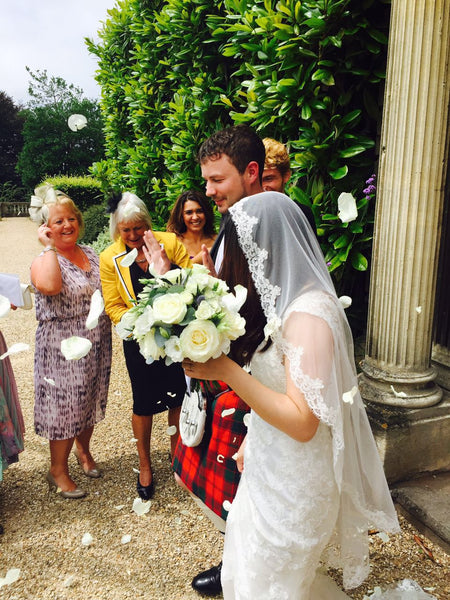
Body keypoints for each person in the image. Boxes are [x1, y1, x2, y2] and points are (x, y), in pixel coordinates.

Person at [183, 193, 401, 599]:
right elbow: (283, 389)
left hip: (296, 485)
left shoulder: (309, 317)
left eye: (236, 252)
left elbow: (304, 422)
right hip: (269, 464)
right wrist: (252, 438)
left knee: (270, 581)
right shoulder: (281, 306)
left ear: (258, 249)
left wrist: (226, 371)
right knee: (250, 569)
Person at [173, 124, 322, 595]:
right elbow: (238, 304)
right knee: (247, 533)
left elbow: (303, 418)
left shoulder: (305, 309)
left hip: (269, 396)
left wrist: (226, 370)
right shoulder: (236, 234)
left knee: (273, 557)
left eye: (217, 180)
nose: (209, 191)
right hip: (260, 406)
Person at [99, 192, 191, 500]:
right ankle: (145, 463)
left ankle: (178, 456)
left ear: (146, 224)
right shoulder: (109, 257)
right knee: (143, 402)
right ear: (118, 231)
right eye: (126, 230)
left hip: (174, 332)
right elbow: (112, 304)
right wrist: (139, 321)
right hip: (138, 339)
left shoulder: (169, 242)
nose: (134, 235)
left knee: (177, 396)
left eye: (138, 228)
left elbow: (190, 279)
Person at [30, 186, 111, 499]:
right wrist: (49, 248)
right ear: (46, 228)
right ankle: (57, 469)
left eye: (70, 219)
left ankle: (84, 451)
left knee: (89, 400)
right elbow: (50, 287)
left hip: (96, 339)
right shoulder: (44, 260)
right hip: (62, 345)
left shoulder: (90, 252)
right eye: (57, 221)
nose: (66, 226)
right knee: (64, 408)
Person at [263, 137, 317, 233]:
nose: (263, 186)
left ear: (286, 176)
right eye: (257, 180)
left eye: (268, 179)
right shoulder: (242, 218)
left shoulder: (303, 214)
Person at [166, 190, 217, 263]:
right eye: (189, 213)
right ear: (181, 216)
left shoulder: (218, 241)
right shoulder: (174, 243)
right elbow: (168, 272)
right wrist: (200, 258)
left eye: (199, 211)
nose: (195, 217)